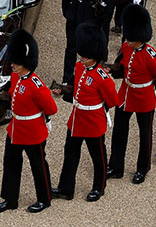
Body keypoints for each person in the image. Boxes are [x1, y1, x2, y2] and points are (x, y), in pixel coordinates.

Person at [0, 30, 57, 213]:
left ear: (25, 62)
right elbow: (13, 99)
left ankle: (45, 198)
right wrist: (0, 100)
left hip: (33, 131)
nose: (12, 65)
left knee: (38, 166)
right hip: (15, 129)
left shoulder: (37, 86)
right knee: (10, 164)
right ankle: (10, 199)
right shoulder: (16, 77)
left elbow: (51, 109)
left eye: (16, 62)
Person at [50, 22, 119, 202]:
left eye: (85, 56)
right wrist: (62, 90)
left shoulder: (102, 77)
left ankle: (99, 187)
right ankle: (66, 188)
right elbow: (75, 86)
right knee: (70, 154)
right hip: (77, 118)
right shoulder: (80, 67)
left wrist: (96, 108)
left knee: (98, 156)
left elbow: (113, 100)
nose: (81, 58)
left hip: (93, 120)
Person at [107, 5, 156, 184]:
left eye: (131, 38)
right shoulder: (127, 47)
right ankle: (116, 166)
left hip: (144, 97)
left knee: (145, 134)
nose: (127, 40)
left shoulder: (151, 56)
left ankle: (143, 168)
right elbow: (122, 68)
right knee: (119, 132)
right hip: (126, 94)